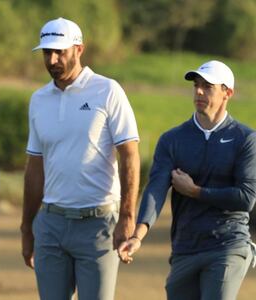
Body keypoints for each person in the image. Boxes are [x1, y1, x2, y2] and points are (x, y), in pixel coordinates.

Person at [20, 17, 140, 300]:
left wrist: (127, 216)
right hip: (51, 225)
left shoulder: (108, 90)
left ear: (79, 49)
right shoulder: (39, 99)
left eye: (59, 52)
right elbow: (35, 168)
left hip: (98, 225)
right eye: (47, 53)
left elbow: (130, 155)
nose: (52, 60)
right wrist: (27, 226)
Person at [119, 60, 256, 299]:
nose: (199, 91)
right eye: (196, 85)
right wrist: (137, 235)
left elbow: (246, 198)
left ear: (228, 93)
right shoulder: (172, 139)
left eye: (208, 86)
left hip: (228, 245)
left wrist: (196, 191)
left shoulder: (245, 139)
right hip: (185, 246)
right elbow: (156, 189)